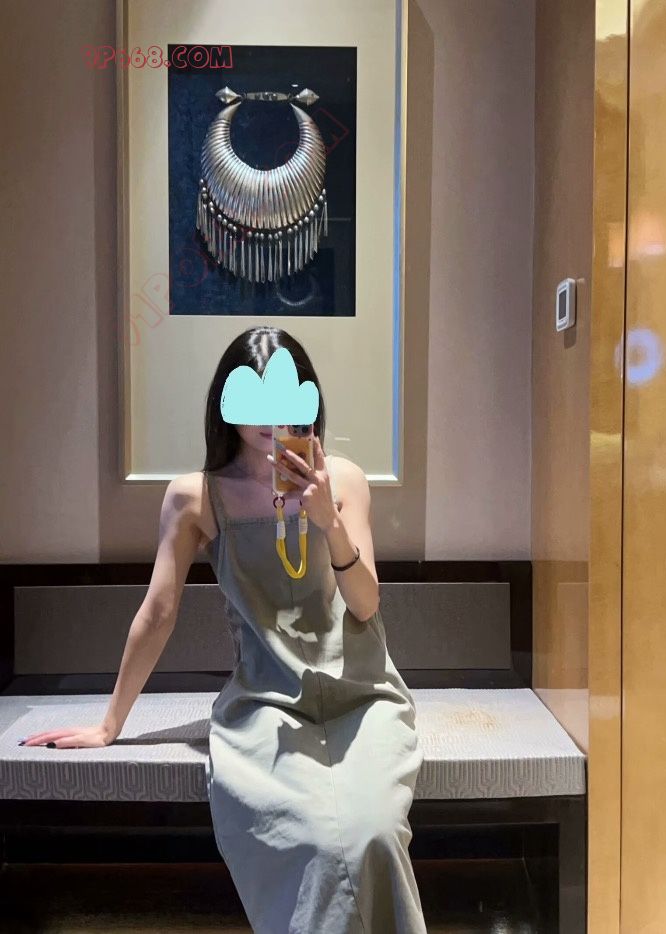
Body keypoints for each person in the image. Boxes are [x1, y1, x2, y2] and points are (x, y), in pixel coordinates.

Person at [20, 326, 428, 933]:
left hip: (361, 691)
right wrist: (110, 725)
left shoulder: (342, 479)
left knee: (374, 830)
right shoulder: (195, 497)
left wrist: (330, 522)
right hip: (267, 700)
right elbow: (158, 612)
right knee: (311, 834)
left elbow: (366, 606)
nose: (271, 420)